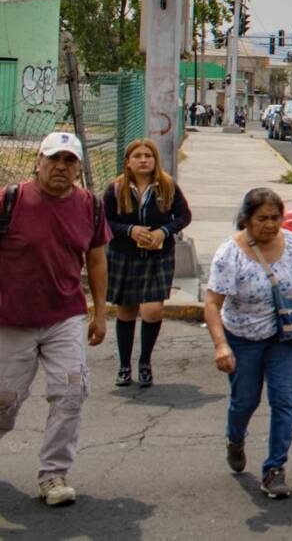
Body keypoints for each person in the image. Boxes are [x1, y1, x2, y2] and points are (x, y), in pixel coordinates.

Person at [0, 132, 109, 507]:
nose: (61, 167)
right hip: (11, 319)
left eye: (69, 161)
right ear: (39, 161)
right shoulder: (10, 201)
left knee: (71, 393)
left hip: (64, 316)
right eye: (54, 159)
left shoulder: (90, 206)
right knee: (4, 402)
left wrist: (100, 312)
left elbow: (95, 259)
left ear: (78, 167)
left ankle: (54, 474)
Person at [204, 188, 292, 499]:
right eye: (262, 218)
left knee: (285, 401)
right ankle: (235, 440)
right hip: (243, 337)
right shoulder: (229, 254)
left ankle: (275, 469)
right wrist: (221, 346)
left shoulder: (289, 244)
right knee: (245, 401)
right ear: (246, 220)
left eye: (276, 218)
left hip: (285, 337)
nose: (270, 225)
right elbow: (211, 304)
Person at [103, 139, 192, 388]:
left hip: (158, 256)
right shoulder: (116, 188)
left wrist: (164, 231)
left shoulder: (167, 186)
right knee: (127, 310)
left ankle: (145, 361)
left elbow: (184, 215)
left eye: (148, 156)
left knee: (152, 310)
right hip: (125, 256)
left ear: (155, 160)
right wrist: (129, 230)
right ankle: (124, 366)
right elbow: (105, 220)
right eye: (138, 156)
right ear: (128, 162)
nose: (143, 160)